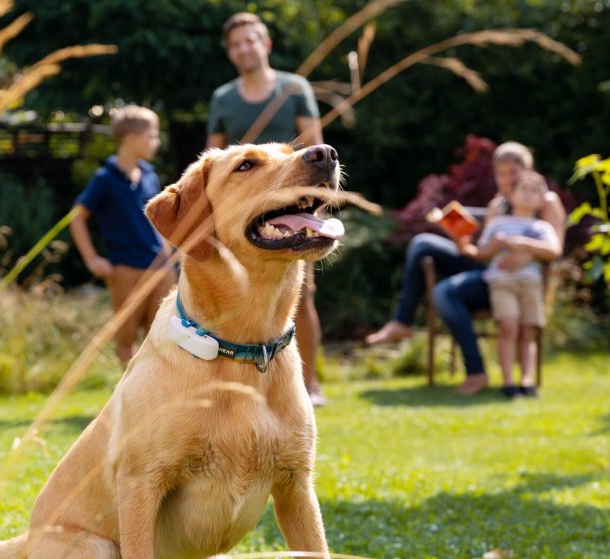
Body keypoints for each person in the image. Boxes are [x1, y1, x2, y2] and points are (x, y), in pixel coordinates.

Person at [366, 141, 566, 395]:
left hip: (523, 280)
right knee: (422, 243)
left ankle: (477, 372)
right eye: (501, 174)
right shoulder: (498, 204)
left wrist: (525, 255)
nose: (506, 180)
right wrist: (463, 242)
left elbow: (555, 246)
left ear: (528, 169)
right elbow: (485, 252)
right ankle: (402, 321)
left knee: (443, 292)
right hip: (492, 272)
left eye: (512, 173)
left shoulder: (546, 200)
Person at [205, 11, 328, 407]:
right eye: (236, 44)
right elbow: (213, 159)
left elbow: (314, 146)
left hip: (295, 205)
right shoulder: (223, 98)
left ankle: (307, 384)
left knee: (301, 297)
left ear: (266, 44)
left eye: (250, 40)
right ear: (230, 53)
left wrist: (313, 205)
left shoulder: (295, 88)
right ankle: (236, 384)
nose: (244, 48)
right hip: (247, 218)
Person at [70, 105, 176, 367]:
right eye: (152, 136)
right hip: (125, 269)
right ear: (131, 139)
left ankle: (160, 398)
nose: (156, 142)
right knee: (126, 339)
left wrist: (169, 253)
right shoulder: (105, 179)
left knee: (162, 336)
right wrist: (92, 259)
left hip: (160, 269)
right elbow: (77, 217)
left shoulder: (149, 175)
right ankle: (131, 399)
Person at [473, 171, 561, 397]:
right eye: (524, 189)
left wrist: (522, 244)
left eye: (535, 191)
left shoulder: (542, 228)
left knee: (527, 331)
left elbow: (553, 250)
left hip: (530, 284)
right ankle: (508, 382)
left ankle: (527, 381)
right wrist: (496, 245)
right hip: (502, 283)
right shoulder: (499, 223)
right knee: (508, 326)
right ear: (511, 196)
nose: (529, 195)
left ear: (542, 199)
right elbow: (481, 252)